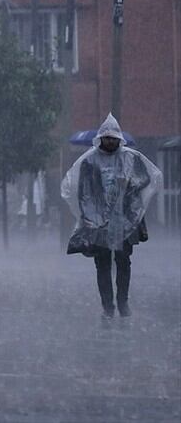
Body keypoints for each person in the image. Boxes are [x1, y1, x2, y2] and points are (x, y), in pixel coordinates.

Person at [62, 114, 162, 319]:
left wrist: (126, 185)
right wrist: (89, 216)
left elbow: (143, 180)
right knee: (103, 263)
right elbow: (82, 190)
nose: (110, 141)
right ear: (100, 138)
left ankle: (123, 302)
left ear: (119, 139)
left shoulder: (130, 158)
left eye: (113, 138)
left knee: (124, 261)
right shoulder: (90, 161)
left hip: (124, 219)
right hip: (99, 221)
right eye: (106, 137)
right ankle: (108, 306)